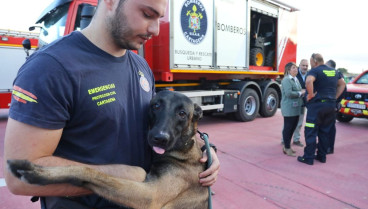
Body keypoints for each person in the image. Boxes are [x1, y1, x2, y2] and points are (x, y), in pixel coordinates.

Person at [3, 0, 220, 208]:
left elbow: (160, 125)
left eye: (159, 18)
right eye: (147, 14)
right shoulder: (50, 68)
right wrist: (126, 174)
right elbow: (19, 176)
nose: (155, 29)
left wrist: (204, 151)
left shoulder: (140, 66)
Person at [297, 53, 345, 165]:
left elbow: (309, 81)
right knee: (325, 131)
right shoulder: (334, 71)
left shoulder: (315, 70)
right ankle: (321, 156)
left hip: (317, 107)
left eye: (311, 62)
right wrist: (335, 97)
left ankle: (308, 157)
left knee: (311, 131)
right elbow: (342, 84)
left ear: (315, 61)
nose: (310, 65)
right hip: (330, 106)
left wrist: (310, 95)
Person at [280, 62, 305, 157]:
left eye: (296, 68)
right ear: (288, 70)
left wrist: (301, 92)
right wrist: (300, 93)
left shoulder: (295, 79)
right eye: (293, 68)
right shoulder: (286, 80)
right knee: (288, 127)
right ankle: (287, 147)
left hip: (296, 108)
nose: (296, 69)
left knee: (293, 127)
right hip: (289, 108)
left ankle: (287, 147)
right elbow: (289, 93)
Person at [325, 59, 345, 154]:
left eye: (326, 66)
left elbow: (343, 88)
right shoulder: (333, 75)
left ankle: (330, 147)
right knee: (326, 126)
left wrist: (336, 100)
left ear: (330, 67)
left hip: (333, 105)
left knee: (330, 127)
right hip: (329, 104)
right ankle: (325, 144)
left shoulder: (337, 74)